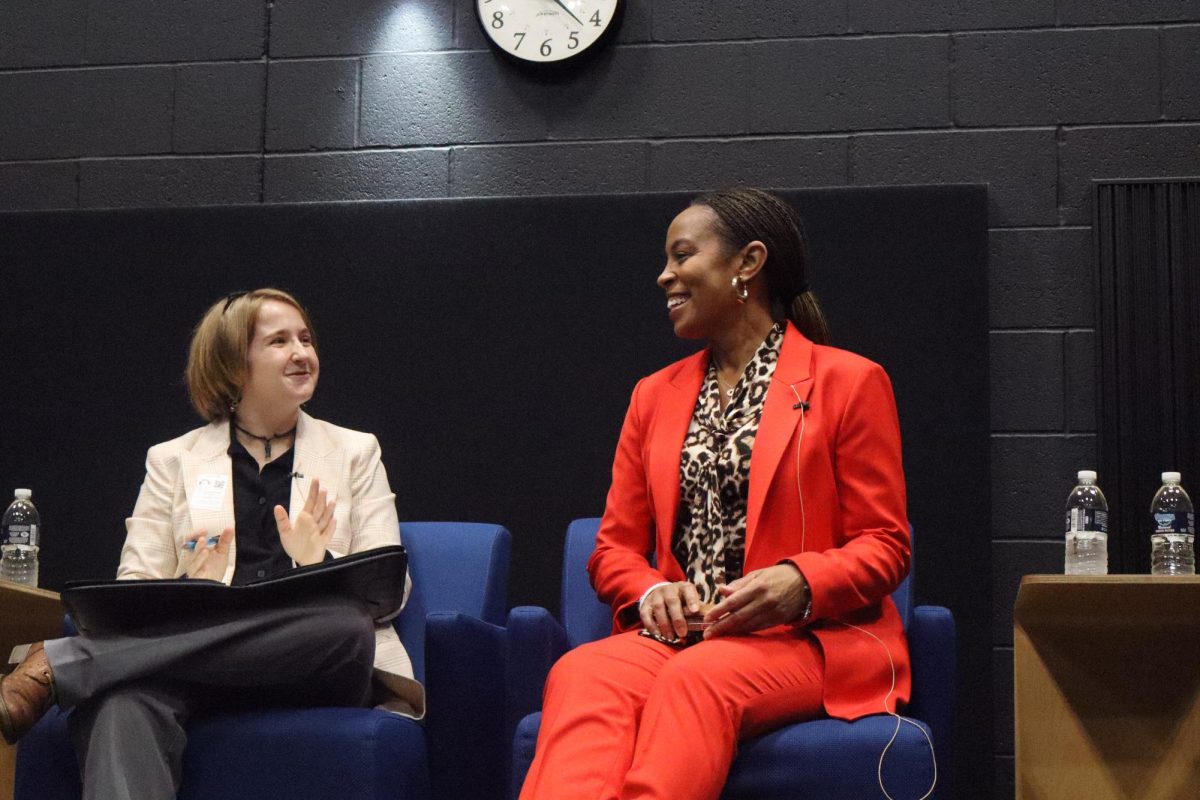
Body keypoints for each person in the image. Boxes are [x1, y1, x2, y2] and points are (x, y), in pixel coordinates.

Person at [519, 188, 912, 800]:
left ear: (747, 265)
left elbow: (885, 546)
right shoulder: (654, 395)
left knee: (701, 678)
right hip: (685, 637)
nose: (664, 275)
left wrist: (799, 582)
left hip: (805, 640)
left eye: (682, 256)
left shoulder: (850, 382)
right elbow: (613, 550)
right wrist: (651, 589)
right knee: (583, 670)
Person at [0, 288, 421, 800]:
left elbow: (389, 590)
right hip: (195, 670)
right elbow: (133, 588)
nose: (301, 353)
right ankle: (87, 666)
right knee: (120, 704)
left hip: (313, 659)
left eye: (306, 339)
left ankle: (67, 663)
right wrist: (188, 583)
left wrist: (319, 560)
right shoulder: (173, 460)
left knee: (345, 625)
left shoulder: (356, 451)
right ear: (233, 363)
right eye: (279, 341)